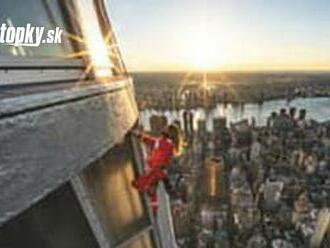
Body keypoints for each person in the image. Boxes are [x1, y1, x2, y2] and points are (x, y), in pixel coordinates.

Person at [131, 124, 181, 213]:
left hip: (156, 170)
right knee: (151, 189)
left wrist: (138, 135)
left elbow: (153, 145)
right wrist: (138, 135)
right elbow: (150, 142)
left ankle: (154, 207)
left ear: (169, 132)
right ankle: (154, 207)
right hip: (157, 170)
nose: (163, 128)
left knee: (142, 184)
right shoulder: (165, 143)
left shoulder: (166, 143)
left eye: (165, 128)